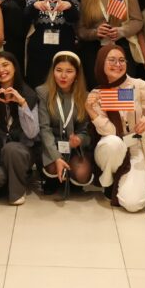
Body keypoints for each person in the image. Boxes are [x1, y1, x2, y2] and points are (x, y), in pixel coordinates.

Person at [87, 45, 145, 212]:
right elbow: (109, 131)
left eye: (121, 60)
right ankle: (108, 180)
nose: (117, 64)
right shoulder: (97, 93)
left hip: (138, 145)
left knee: (133, 204)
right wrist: (91, 111)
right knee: (114, 142)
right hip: (111, 147)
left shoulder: (140, 86)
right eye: (111, 60)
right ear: (101, 64)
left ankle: (126, 182)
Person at [0, 52, 40, 205]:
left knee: (12, 149)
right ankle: (10, 179)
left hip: (21, 150)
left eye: (5, 65)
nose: (1, 70)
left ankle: (16, 193)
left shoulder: (29, 94)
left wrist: (22, 104)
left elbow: (32, 132)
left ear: (15, 68)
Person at [77, 0, 144, 87]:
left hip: (121, 49)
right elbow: (80, 30)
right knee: (97, 95)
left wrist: (121, 31)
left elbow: (138, 21)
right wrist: (95, 33)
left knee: (124, 95)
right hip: (93, 53)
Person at [36, 52, 92, 197]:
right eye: (59, 70)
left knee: (82, 173)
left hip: (73, 147)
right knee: (54, 166)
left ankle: (72, 180)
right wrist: (56, 156)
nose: (63, 76)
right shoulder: (43, 92)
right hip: (51, 145)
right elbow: (44, 128)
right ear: (53, 71)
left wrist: (79, 139)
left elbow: (86, 131)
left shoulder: (85, 96)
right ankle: (52, 179)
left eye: (69, 71)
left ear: (77, 75)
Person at [24, 0, 81, 88]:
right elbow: (25, 16)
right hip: (38, 54)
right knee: (37, 89)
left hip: (63, 53)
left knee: (63, 89)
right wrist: (34, 6)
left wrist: (69, 7)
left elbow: (75, 18)